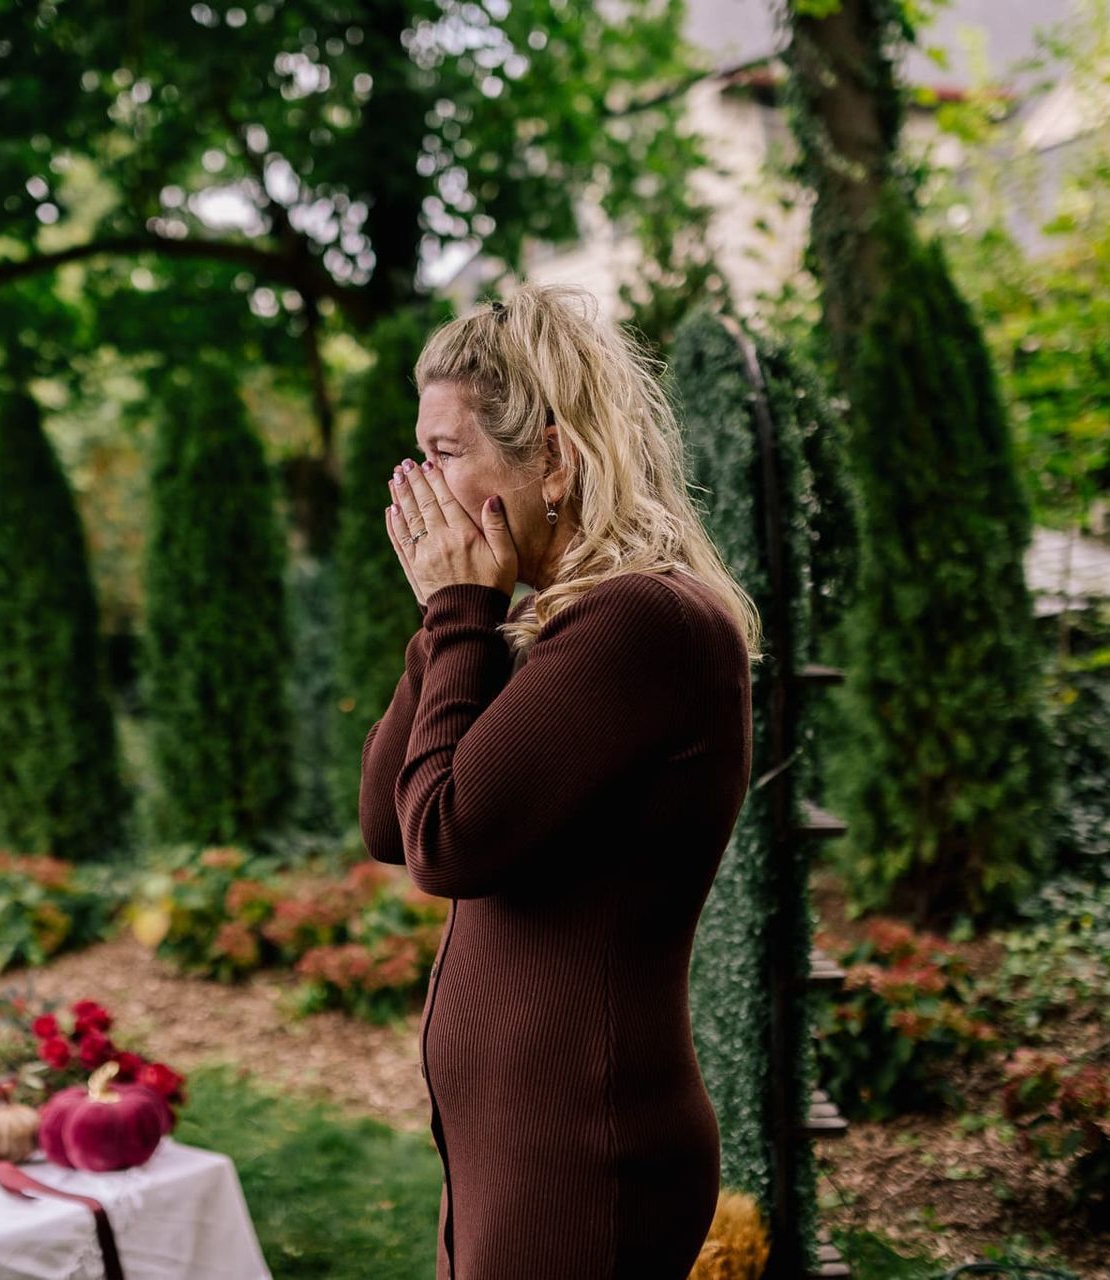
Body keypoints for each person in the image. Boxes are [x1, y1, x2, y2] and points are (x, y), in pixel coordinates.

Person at [358, 282, 761, 1279]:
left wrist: (459, 609)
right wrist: (454, 614)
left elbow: (447, 841)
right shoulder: (545, 621)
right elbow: (387, 820)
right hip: (520, 1149)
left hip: (587, 1155)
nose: (423, 483)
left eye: (447, 453)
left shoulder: (643, 621)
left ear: (552, 458)